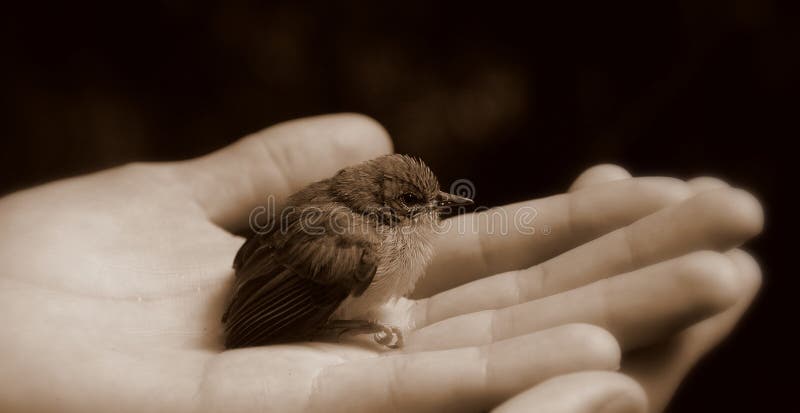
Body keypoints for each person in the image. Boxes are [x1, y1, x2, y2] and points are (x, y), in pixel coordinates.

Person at [0, 114, 762, 412]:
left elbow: (253, 252)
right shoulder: (356, 245)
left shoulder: (371, 221)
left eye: (436, 203)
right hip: (277, 287)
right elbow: (257, 305)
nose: (436, 214)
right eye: (421, 208)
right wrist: (332, 330)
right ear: (389, 207)